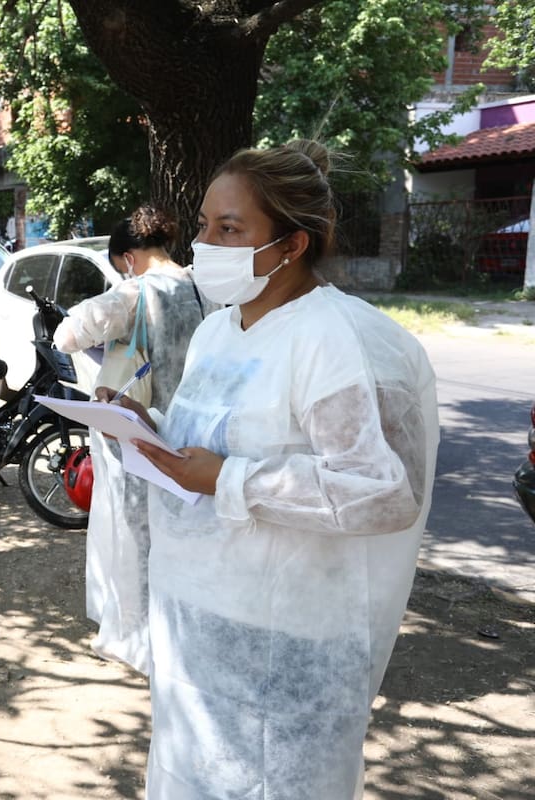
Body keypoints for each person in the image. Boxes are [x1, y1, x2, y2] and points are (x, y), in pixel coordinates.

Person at [113, 140, 439, 798]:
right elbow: (216, 443)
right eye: (204, 225)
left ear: (292, 245)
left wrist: (230, 480)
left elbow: (382, 494)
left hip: (286, 632)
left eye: (230, 229)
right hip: (196, 617)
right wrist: (148, 429)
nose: (206, 244)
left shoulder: (334, 340)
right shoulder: (217, 331)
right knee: (191, 776)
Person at [52, 205, 204, 675]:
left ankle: (140, 635)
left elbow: (67, 335)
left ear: (129, 258)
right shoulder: (203, 286)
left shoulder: (135, 292)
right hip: (194, 431)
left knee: (137, 538)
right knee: (186, 535)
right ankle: (184, 630)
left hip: (140, 432)